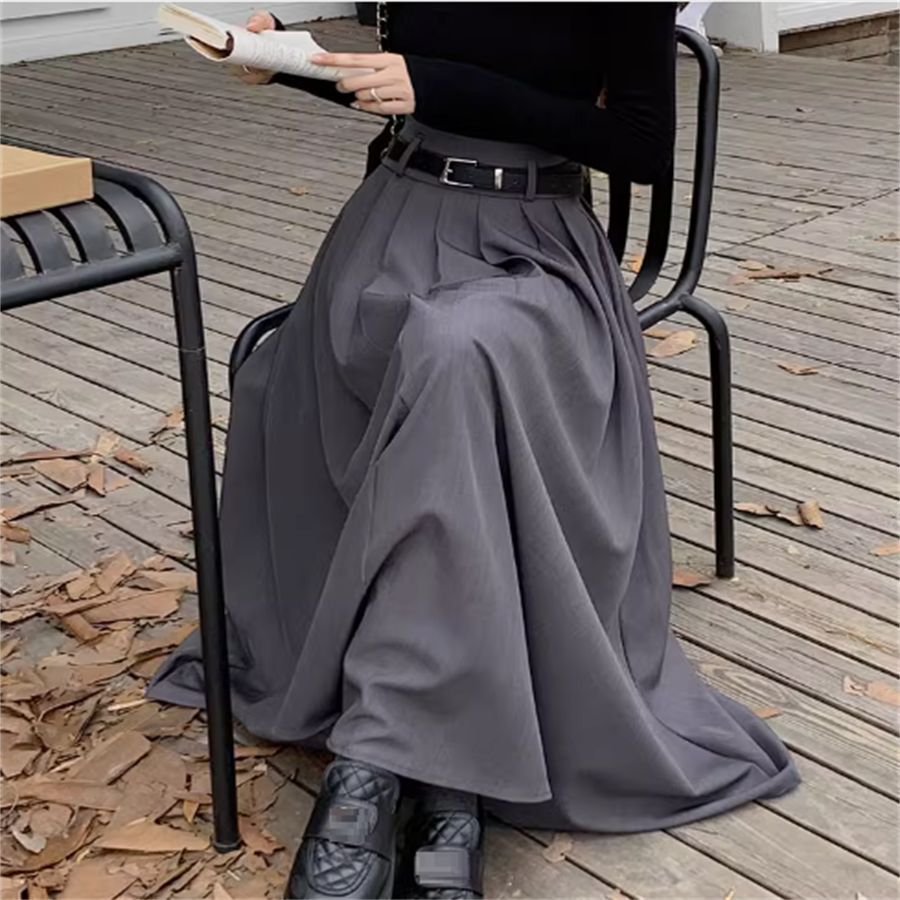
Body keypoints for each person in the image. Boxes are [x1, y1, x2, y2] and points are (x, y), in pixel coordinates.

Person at [149, 5, 800, 899]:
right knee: (358, 364)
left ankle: (373, 765)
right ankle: (448, 784)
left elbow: (641, 147)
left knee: (457, 354)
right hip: (390, 233)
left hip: (531, 251)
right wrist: (287, 60)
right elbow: (404, 90)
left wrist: (441, 84)